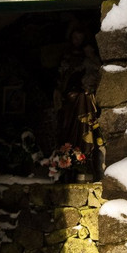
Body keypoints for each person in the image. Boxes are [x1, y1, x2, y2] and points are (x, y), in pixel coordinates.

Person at [53, 24, 102, 177]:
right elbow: (61, 76)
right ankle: (68, 157)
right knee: (68, 125)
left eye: (80, 39)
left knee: (83, 117)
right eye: (75, 38)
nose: (77, 41)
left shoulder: (87, 55)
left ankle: (83, 154)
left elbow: (96, 70)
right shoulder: (66, 54)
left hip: (82, 96)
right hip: (69, 97)